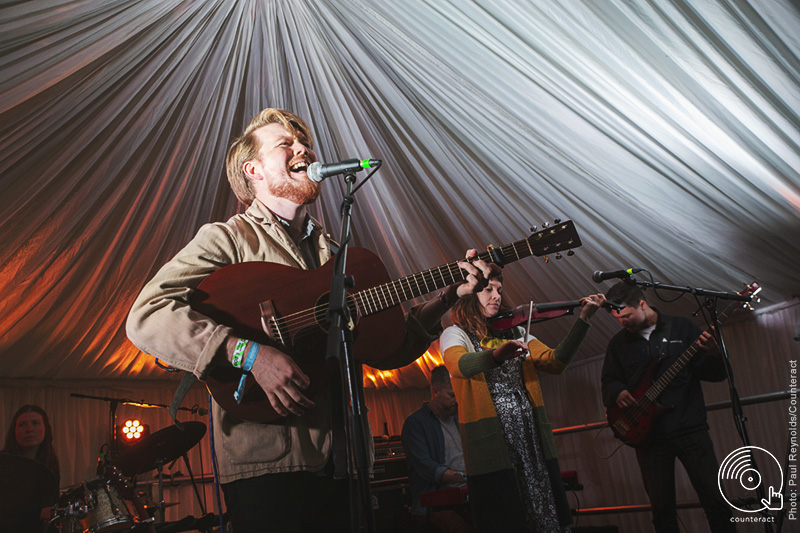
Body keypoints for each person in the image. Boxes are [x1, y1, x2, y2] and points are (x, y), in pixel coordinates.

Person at [126, 108, 497, 532]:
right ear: (254, 170)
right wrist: (249, 353)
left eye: (303, 143)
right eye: (285, 144)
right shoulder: (227, 238)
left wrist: (448, 295)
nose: (302, 148)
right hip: (268, 470)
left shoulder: (337, 256)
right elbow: (147, 314)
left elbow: (390, 348)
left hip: (347, 463)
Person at [440, 275, 605, 532]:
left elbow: (556, 361)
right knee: (505, 511)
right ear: (470, 295)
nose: (497, 296)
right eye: (489, 291)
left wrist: (583, 320)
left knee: (541, 504)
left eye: (499, 290)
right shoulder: (454, 333)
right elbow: (460, 365)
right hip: (492, 438)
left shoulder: (516, 330)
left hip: (529, 434)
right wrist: (495, 355)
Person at [600, 281, 735, 532]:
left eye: (626, 315)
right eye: (617, 318)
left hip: (690, 429)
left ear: (642, 303)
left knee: (715, 502)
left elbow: (715, 374)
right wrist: (618, 392)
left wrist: (716, 354)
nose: (622, 322)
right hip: (649, 437)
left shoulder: (682, 328)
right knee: (662, 513)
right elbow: (608, 382)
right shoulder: (617, 345)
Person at [401, 365, 473, 533]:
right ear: (435, 390)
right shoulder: (415, 424)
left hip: (466, 494)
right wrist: (465, 477)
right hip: (434, 503)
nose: (456, 400)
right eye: (452, 395)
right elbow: (427, 468)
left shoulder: (459, 418)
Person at [2, 404, 60, 532]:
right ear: (14, 431)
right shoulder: (3, 465)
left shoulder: (51, 464)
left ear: (46, 429)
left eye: (35, 423)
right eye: (22, 424)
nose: (29, 429)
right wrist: (38, 515)